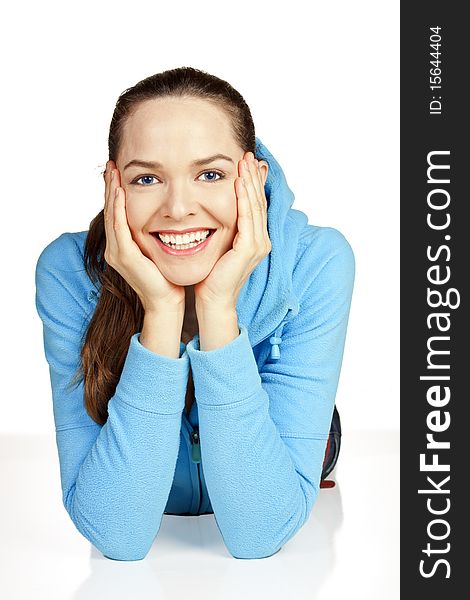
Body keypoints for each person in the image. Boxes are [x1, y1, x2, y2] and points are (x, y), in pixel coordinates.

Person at [34, 66, 355, 561]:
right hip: (151, 450)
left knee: (312, 446)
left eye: (210, 174)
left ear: (253, 178)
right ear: (112, 184)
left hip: (271, 422)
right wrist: (160, 311)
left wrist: (218, 306)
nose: (178, 207)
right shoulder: (67, 273)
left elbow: (260, 533)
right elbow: (115, 536)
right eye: (147, 178)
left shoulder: (317, 261)